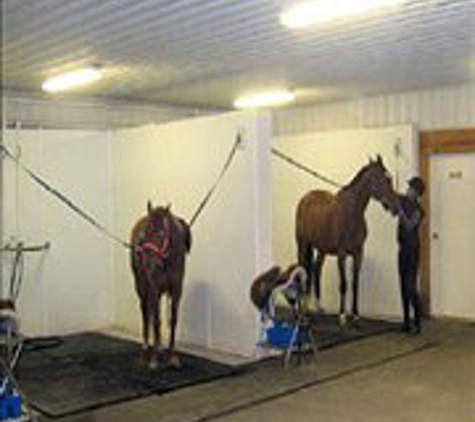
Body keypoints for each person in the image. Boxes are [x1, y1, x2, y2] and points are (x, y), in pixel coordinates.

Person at [397, 176, 425, 334]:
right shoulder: (403, 201)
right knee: (402, 286)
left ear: (416, 192)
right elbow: (390, 203)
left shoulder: (419, 211)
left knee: (410, 287)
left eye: (410, 188)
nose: (407, 190)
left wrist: (400, 210)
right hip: (402, 249)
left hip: (413, 251)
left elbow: (409, 226)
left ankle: (417, 322)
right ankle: (406, 322)